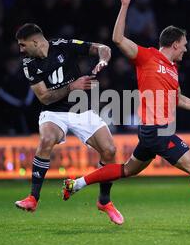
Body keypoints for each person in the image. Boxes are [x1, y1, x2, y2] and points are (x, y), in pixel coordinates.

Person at [62, 0, 190, 228]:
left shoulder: (173, 70)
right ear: (174, 44)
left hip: (154, 131)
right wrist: (125, 5)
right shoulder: (147, 56)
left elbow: (180, 99)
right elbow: (117, 38)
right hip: (158, 130)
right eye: (184, 44)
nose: (185, 49)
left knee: (127, 170)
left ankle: (75, 184)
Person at [14, 23, 124, 225]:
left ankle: (104, 202)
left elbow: (104, 49)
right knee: (46, 139)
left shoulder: (63, 45)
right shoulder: (28, 63)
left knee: (109, 150)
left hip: (80, 109)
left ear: (35, 42)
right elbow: (45, 98)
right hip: (53, 112)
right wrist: (71, 86)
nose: (21, 50)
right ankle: (33, 198)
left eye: (23, 45)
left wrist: (102, 61)